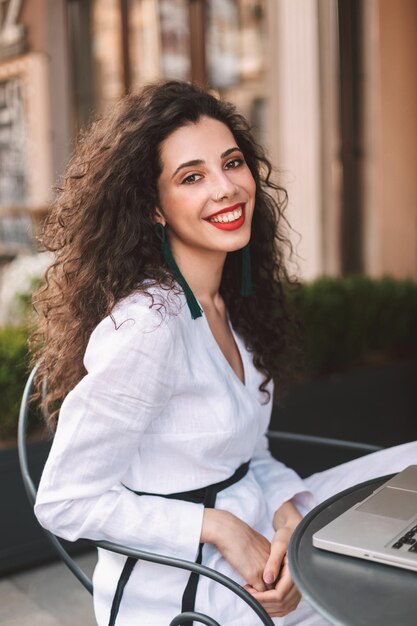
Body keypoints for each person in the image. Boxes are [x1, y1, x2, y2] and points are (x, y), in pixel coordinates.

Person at [32, 80, 417, 626]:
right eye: (192, 177)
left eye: (232, 164)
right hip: (191, 589)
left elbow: (247, 456)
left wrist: (288, 521)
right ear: (154, 208)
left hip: (259, 531)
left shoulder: (227, 300)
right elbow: (64, 500)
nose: (226, 188)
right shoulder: (148, 326)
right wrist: (216, 527)